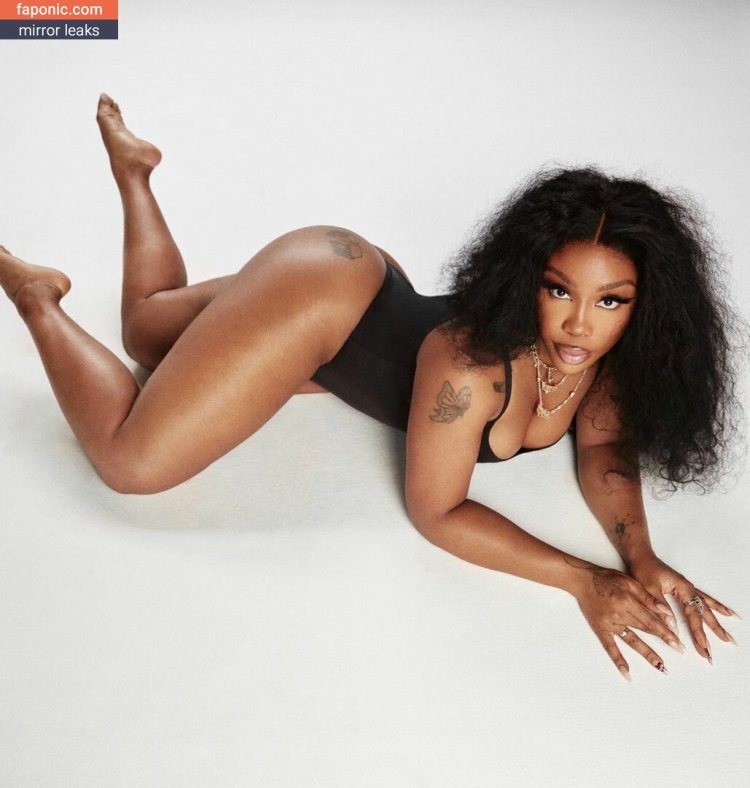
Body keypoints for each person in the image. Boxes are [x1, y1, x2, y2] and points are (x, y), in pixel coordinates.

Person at [0, 94, 741, 680]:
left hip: (365, 298)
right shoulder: (472, 366)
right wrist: (585, 581)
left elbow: (604, 447)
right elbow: (438, 511)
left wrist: (642, 559)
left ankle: (134, 171)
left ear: (645, 304)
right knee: (132, 462)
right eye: (558, 290)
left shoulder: (601, 358)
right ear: (527, 279)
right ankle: (36, 297)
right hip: (322, 299)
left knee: (145, 336)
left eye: (610, 301)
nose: (580, 324)